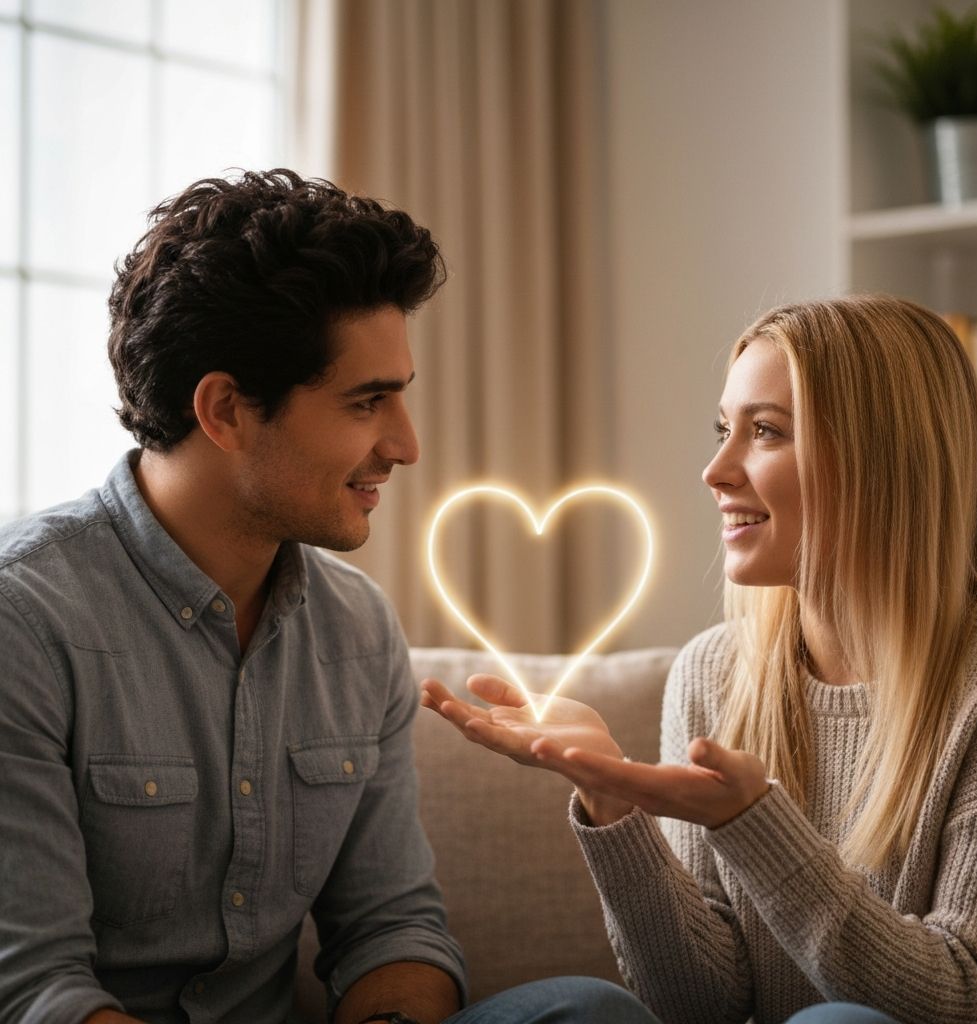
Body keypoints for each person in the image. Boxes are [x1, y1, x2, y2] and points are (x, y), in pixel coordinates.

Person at [0, 169, 658, 1024]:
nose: (406, 445)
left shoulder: (354, 628)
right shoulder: (27, 618)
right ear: (227, 410)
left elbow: (391, 929)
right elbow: (35, 987)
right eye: (366, 402)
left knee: (586, 1011)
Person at [423, 294, 977, 1024]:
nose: (716, 470)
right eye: (723, 430)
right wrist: (613, 806)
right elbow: (695, 1006)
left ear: (883, 458)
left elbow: (971, 1001)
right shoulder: (713, 672)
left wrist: (754, 821)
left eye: (765, 431)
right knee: (582, 1007)